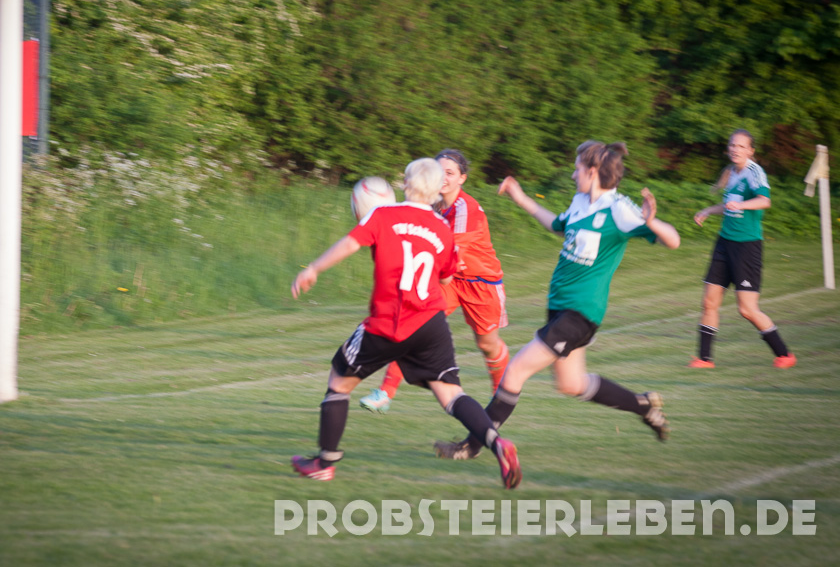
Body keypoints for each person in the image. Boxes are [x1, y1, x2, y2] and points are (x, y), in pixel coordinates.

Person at [435, 141, 680, 461]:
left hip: (581, 313)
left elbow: (673, 240)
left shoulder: (619, 209)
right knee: (571, 384)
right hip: (560, 308)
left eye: (577, 169)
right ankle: (643, 405)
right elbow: (557, 225)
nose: (573, 174)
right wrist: (521, 198)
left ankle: (473, 445)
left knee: (515, 371)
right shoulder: (581, 201)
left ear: (592, 172)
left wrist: (650, 221)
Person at [290, 158, 521, 488]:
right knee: (451, 394)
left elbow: (350, 244)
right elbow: (446, 277)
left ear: (406, 184)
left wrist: (313, 268)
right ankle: (497, 443)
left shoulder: (383, 215)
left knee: (339, 382)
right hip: (431, 324)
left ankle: (324, 464)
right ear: (435, 189)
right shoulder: (442, 227)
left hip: (389, 322)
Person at [359, 149, 510, 413]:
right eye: (440, 172)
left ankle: (502, 395)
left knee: (487, 345)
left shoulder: (466, 209)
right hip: (450, 280)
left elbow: (447, 250)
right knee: (412, 325)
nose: (444, 178)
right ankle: (385, 393)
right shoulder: (432, 204)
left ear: (462, 178)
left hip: (481, 284)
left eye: (450, 173)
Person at [689, 129, 796, 369]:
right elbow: (730, 205)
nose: (735, 149)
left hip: (747, 247)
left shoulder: (754, 172)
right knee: (709, 302)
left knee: (747, 309)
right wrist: (708, 210)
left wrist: (743, 205)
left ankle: (784, 354)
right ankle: (704, 359)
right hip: (724, 243)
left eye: (741, 146)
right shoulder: (731, 172)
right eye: (732, 145)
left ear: (750, 150)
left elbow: (764, 201)